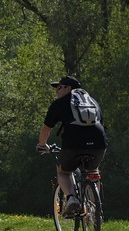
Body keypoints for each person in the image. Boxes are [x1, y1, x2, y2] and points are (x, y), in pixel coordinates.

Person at [36, 74, 107, 217]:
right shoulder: (92, 101)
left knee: (63, 171)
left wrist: (42, 144)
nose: (57, 91)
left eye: (59, 87)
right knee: (93, 170)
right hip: (99, 143)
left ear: (68, 88)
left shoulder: (60, 103)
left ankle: (71, 198)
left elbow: (46, 129)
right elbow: (102, 123)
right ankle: (94, 207)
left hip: (73, 144)